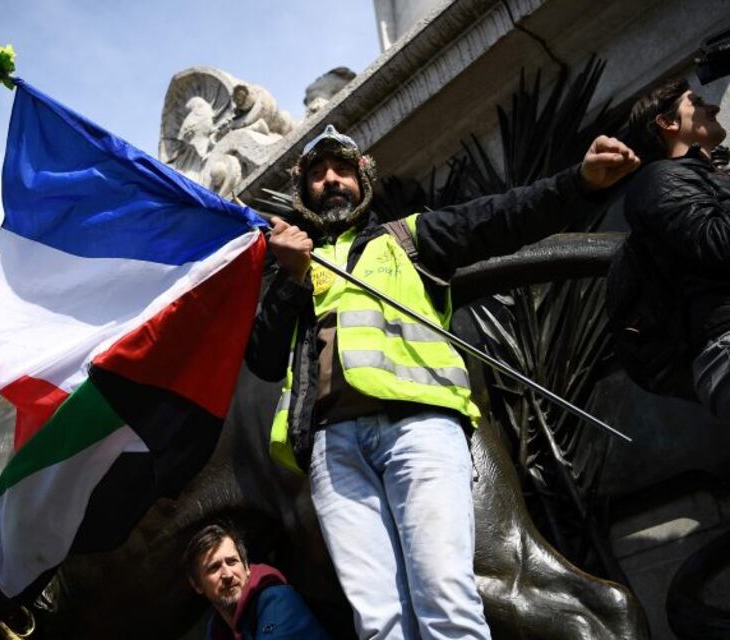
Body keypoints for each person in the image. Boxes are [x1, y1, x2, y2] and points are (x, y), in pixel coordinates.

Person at [245, 124, 639, 639]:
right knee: (378, 621)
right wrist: (290, 278)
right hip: (332, 450)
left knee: (445, 599)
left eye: (342, 169)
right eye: (318, 175)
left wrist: (580, 181)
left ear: (364, 180)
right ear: (302, 192)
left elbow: (504, 216)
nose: (331, 181)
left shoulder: (407, 239)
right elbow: (265, 361)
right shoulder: (292, 267)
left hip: (418, 430)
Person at [623, 78, 730, 419]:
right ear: (667, 123)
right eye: (696, 102)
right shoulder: (659, 181)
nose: (712, 107)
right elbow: (718, 244)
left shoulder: (710, 176)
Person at [184, 522, 331, 640]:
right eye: (214, 568)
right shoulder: (217, 627)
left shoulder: (277, 601)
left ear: (247, 568)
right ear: (197, 584)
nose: (228, 574)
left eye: (232, 562)